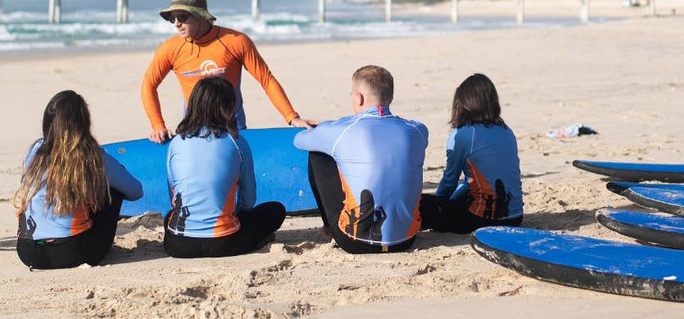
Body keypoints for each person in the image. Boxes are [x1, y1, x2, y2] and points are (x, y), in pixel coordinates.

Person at [141, 0, 315, 143]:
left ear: (200, 15)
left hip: (233, 128)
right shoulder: (170, 48)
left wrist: (291, 117)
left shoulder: (235, 41)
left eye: (182, 17)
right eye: (172, 18)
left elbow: (266, 79)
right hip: (193, 130)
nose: (176, 23)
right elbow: (149, 84)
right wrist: (158, 126)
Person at [294, 65, 427, 254]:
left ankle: (329, 228)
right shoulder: (418, 130)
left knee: (318, 155)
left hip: (355, 241)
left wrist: (327, 128)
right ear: (390, 97)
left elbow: (299, 140)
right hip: (406, 239)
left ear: (359, 98)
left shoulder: (343, 131)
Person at [14, 90, 144, 269]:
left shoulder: (34, 151)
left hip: (28, 252)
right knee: (113, 189)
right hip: (73, 253)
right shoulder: (92, 155)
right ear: (83, 123)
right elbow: (136, 191)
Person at [163, 76, 286, 258]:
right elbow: (248, 199)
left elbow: (173, 194)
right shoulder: (237, 142)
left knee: (170, 216)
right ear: (228, 107)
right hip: (225, 243)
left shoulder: (176, 143)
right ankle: (254, 240)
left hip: (178, 245)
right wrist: (237, 216)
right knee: (276, 210)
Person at [419, 73, 523, 233]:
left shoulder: (463, 134)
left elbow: (449, 182)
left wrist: (436, 205)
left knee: (421, 203)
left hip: (483, 220)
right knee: (466, 188)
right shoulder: (507, 131)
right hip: (515, 217)